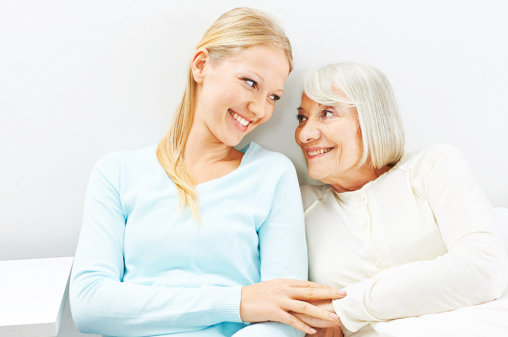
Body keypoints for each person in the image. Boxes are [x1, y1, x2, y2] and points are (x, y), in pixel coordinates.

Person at [69, 8, 345, 337]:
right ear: (201, 65)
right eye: (250, 83)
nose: (260, 109)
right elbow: (89, 305)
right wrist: (238, 302)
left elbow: (283, 318)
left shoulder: (272, 175)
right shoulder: (116, 173)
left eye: (273, 96)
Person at [294, 62, 508, 337]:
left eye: (326, 113)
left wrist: (344, 308)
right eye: (302, 118)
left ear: (372, 119)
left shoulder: (432, 167)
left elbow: (484, 270)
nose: (304, 134)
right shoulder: (299, 206)